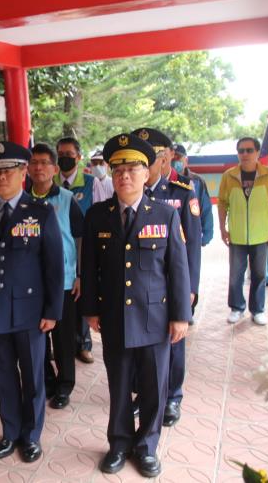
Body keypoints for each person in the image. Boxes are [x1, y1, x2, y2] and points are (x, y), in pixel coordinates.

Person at [80, 133, 191, 477]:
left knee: (154, 387)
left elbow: (178, 268)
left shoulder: (165, 214)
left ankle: (147, 447)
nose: (124, 176)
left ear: (146, 173)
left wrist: (181, 317)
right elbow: (90, 268)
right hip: (115, 316)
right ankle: (119, 444)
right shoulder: (97, 216)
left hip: (155, 317)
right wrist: (91, 309)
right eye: (118, 170)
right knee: (119, 385)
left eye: (131, 169)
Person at [0, 141, 64, 463]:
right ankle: (10, 432)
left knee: (34, 376)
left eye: (7, 171)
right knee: (4, 376)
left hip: (31, 313)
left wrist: (52, 311)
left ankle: (31, 436)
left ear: (23, 173)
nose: (0, 178)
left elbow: (54, 266)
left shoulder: (40, 212)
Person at [132, 127, 200, 428]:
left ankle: (172, 396)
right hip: (140, 282)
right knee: (139, 340)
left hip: (172, 282)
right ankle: (143, 393)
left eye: (154, 155)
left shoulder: (181, 192)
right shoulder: (131, 191)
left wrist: (190, 289)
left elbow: (192, 245)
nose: (147, 162)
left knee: (173, 340)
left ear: (166, 157)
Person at [27, 143, 83, 410]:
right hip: (31, 283)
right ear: (28, 168)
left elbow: (80, 238)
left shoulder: (67, 199)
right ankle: (47, 380)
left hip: (63, 281)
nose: (39, 168)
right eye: (34, 163)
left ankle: (65, 385)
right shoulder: (22, 200)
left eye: (44, 163)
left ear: (54, 168)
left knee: (63, 338)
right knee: (38, 337)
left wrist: (80, 274)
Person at [218, 136, 268, 326]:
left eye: (249, 150)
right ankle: (237, 307)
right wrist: (223, 229)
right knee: (235, 275)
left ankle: (258, 310)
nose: (245, 154)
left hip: (261, 236)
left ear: (257, 153)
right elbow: (222, 203)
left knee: (259, 275)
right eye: (241, 151)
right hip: (237, 236)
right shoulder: (229, 176)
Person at [55, 137, 104, 365]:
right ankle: (64, 344)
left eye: (69, 154)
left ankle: (84, 344)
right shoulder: (51, 182)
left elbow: (100, 213)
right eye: (60, 155)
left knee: (83, 293)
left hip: (85, 245)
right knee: (64, 298)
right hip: (59, 249)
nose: (64, 158)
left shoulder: (91, 183)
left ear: (79, 157)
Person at [173, 144, 213, 247]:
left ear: (186, 160)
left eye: (178, 157)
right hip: (171, 239)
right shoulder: (164, 180)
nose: (175, 161)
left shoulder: (197, 181)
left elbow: (206, 209)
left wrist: (204, 238)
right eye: (172, 158)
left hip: (192, 238)